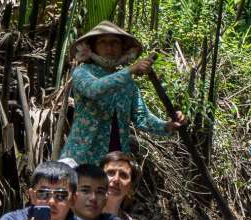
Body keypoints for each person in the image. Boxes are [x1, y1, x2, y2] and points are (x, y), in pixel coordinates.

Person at [59, 21, 185, 165]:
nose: (109, 47)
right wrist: (130, 70)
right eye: (102, 42)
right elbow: (93, 89)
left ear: (122, 48)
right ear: (92, 47)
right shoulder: (82, 71)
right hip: (82, 156)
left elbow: (142, 117)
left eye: (115, 42)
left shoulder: (128, 83)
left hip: (115, 161)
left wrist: (167, 125)